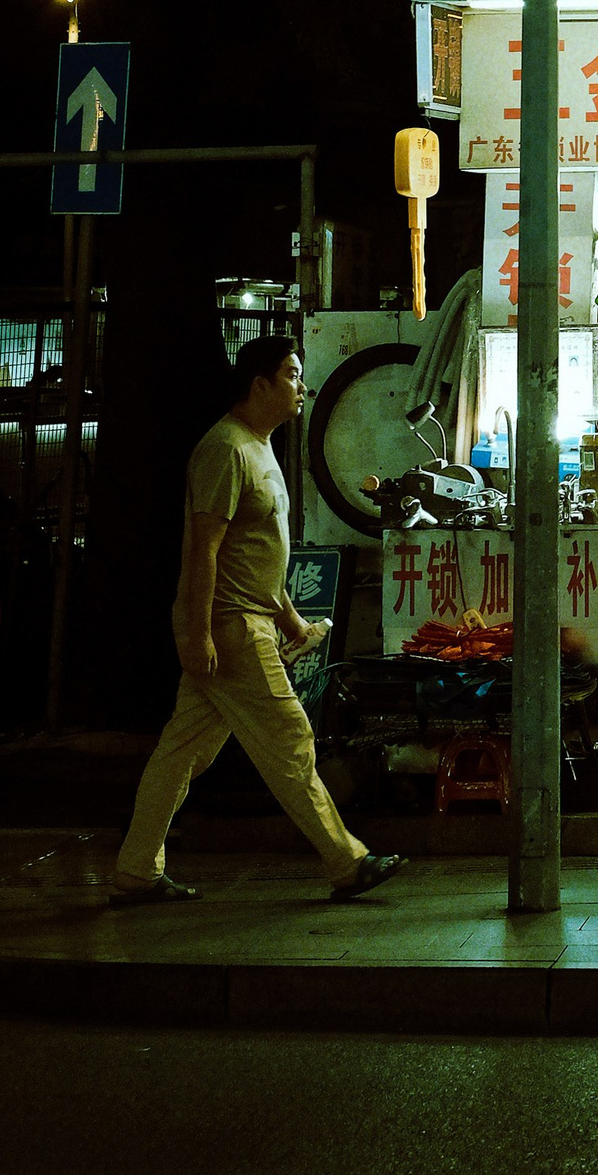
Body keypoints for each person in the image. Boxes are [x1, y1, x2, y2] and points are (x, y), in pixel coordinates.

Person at [112, 335, 405, 905]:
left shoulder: (259, 447)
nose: (302, 388)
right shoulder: (224, 450)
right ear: (259, 385)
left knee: (182, 751)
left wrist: (291, 619)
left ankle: (136, 867)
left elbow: (255, 556)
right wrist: (196, 634)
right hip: (231, 630)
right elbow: (206, 550)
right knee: (290, 740)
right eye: (293, 376)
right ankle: (347, 860)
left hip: (247, 622)